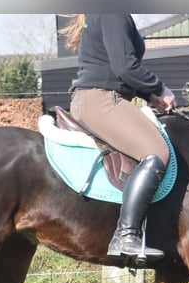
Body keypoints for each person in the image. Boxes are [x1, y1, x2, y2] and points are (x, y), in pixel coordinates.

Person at [62, 14, 177, 263]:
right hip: (102, 99)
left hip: (93, 98)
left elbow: (116, 67)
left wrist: (149, 95)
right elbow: (125, 66)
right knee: (158, 152)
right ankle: (126, 236)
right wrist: (159, 88)